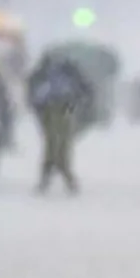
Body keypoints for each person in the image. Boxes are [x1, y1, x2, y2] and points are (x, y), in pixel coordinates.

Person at [26, 55, 89, 194]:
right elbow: (82, 94)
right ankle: (65, 180)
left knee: (53, 145)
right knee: (58, 146)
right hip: (62, 108)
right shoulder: (67, 74)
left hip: (52, 109)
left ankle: (53, 179)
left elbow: (33, 95)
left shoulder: (45, 74)